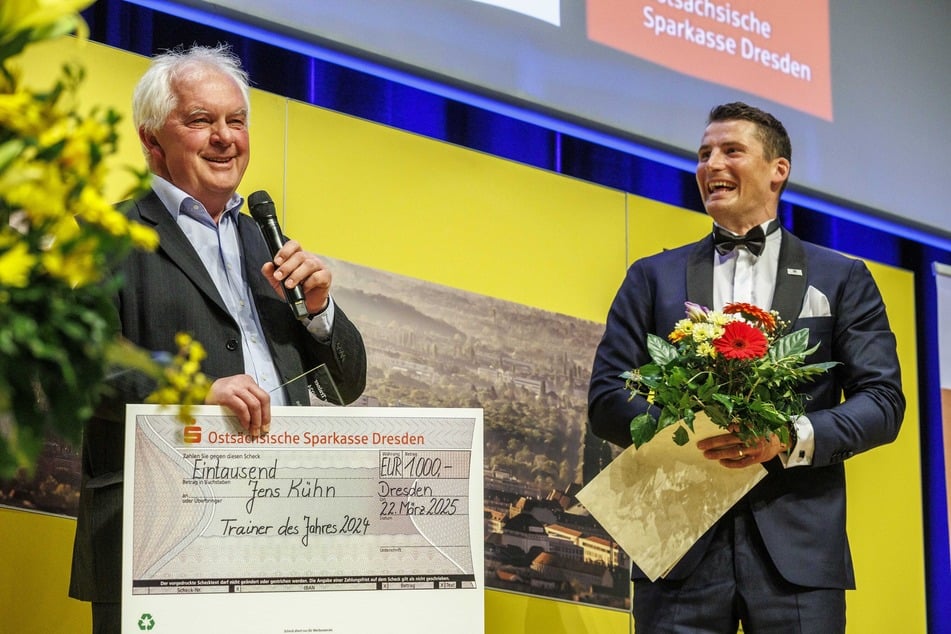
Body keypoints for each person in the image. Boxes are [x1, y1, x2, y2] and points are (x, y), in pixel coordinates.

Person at [68, 44, 367, 633]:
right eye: (201, 121)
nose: (225, 137)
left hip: (281, 533)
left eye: (236, 121)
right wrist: (194, 392)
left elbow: (347, 384)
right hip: (158, 541)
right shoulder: (103, 238)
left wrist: (319, 310)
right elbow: (78, 374)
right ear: (153, 141)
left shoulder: (267, 241)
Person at [588, 102, 904, 633]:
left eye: (732, 150)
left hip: (798, 558)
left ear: (778, 169)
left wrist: (787, 435)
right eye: (704, 154)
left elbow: (882, 402)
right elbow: (606, 398)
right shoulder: (651, 277)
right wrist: (692, 433)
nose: (712, 164)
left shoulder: (843, 277)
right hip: (676, 550)